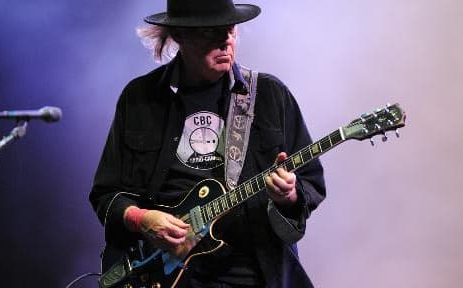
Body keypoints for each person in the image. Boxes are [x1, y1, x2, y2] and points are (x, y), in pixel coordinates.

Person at [89, 0, 326, 287]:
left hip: (253, 275)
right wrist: (143, 220)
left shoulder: (269, 96)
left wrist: (287, 196)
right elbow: (106, 195)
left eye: (229, 30)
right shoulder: (140, 99)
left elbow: (311, 183)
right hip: (161, 275)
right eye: (210, 32)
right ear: (179, 36)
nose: (225, 40)